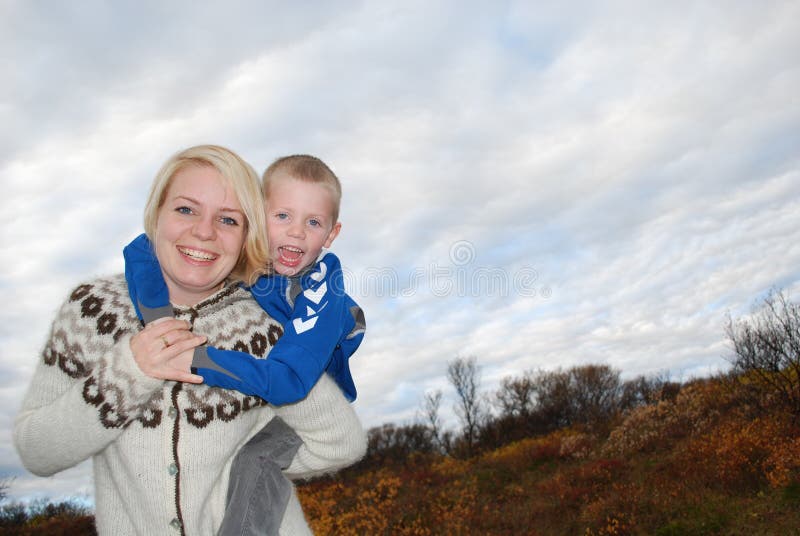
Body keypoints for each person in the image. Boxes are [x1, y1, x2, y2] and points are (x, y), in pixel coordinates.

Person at [13, 145, 366, 535]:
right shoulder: (93, 311)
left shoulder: (265, 323)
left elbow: (340, 441)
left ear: (248, 231)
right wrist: (131, 371)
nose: (204, 231)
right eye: (185, 209)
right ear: (156, 213)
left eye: (228, 219)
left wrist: (240, 470)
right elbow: (36, 451)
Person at [123, 155, 365, 535]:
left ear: (330, 235)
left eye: (313, 222)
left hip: (301, 397)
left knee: (257, 458)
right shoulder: (248, 255)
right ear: (256, 215)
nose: (297, 232)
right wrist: (160, 323)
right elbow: (141, 248)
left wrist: (194, 357)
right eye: (282, 216)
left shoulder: (321, 290)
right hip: (257, 384)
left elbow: (288, 382)